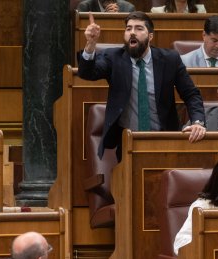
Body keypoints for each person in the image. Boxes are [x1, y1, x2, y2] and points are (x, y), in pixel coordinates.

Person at [78, 11, 206, 161]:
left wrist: (198, 122)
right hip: (127, 142)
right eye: (128, 29)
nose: (132, 33)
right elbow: (87, 73)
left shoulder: (170, 60)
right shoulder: (113, 58)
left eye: (138, 28)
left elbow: (191, 94)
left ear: (150, 36)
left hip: (164, 140)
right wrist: (91, 44)